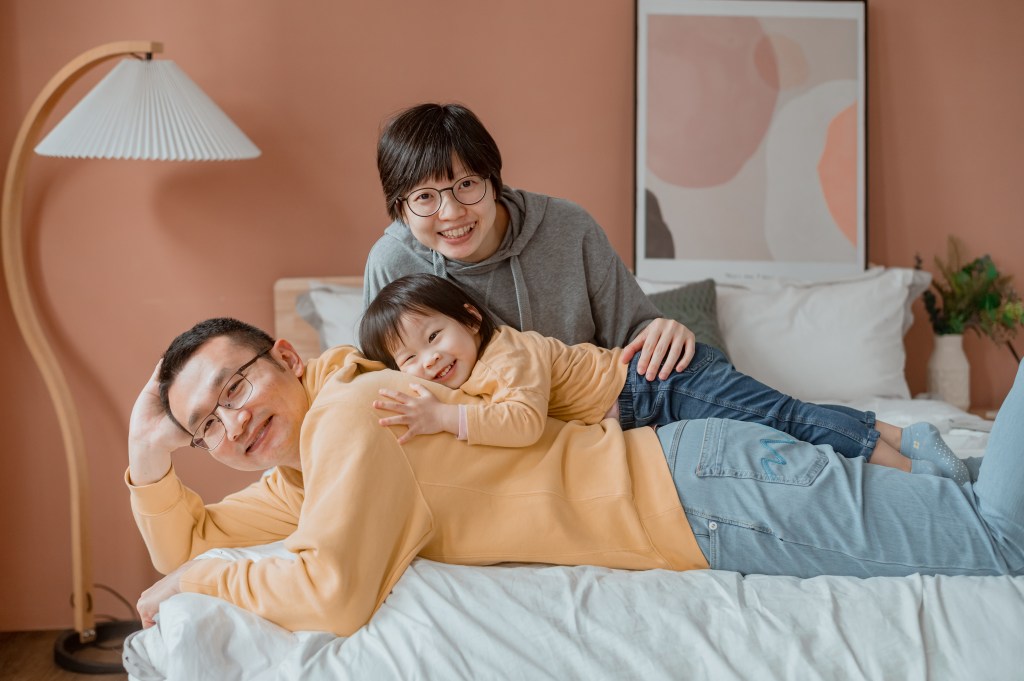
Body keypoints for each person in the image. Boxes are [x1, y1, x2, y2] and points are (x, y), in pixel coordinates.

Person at [128, 317, 1024, 639]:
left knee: (999, 536)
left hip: (708, 497)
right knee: (978, 502)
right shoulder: (306, 471)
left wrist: (202, 579)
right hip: (703, 483)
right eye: (206, 425)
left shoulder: (356, 416)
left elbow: (332, 592)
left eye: (235, 387)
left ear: (287, 357)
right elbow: (191, 541)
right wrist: (145, 454)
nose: (230, 423)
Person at [358, 273, 969, 482]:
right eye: (407, 359)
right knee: (786, 419)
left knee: (785, 418)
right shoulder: (466, 375)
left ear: (470, 319)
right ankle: (907, 437)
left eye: (433, 337)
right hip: (652, 404)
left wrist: (442, 417)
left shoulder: (505, 356)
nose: (428, 363)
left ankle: (916, 472)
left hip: (662, 383)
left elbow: (518, 424)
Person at [364, 101, 695, 383]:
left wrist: (663, 330)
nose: (452, 213)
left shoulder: (569, 227)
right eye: (424, 196)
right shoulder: (393, 263)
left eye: (466, 184)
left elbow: (636, 331)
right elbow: (378, 382)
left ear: (493, 182)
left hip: (598, 414)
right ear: (400, 209)